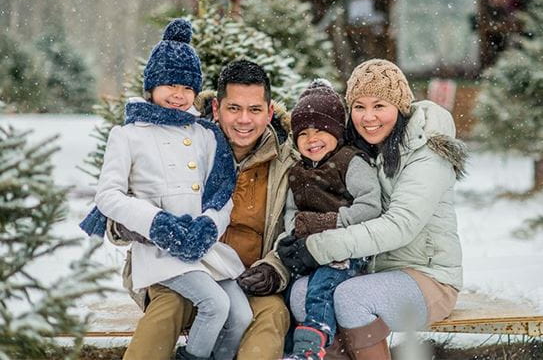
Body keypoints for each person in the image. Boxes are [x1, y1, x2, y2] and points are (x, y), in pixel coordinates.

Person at [81, 19, 253, 360]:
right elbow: (108, 195)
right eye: (171, 85)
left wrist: (209, 225)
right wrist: (157, 223)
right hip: (161, 252)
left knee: (241, 315)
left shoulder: (205, 134)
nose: (179, 95)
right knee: (215, 304)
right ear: (152, 86)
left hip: (204, 248)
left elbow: (221, 193)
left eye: (188, 88)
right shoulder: (128, 135)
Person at [105, 59, 297, 360]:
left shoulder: (288, 163)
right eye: (234, 108)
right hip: (177, 268)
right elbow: (120, 198)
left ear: (269, 112)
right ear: (217, 109)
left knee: (271, 313)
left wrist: (274, 269)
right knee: (169, 307)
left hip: (247, 278)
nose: (244, 120)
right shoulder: (186, 141)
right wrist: (126, 225)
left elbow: (295, 233)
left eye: (255, 110)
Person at [278, 59, 466, 359]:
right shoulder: (360, 151)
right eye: (359, 107)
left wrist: (319, 247)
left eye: (379, 105)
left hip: (429, 277)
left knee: (352, 298)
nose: (368, 117)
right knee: (302, 294)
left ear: (401, 107)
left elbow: (400, 225)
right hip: (370, 270)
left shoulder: (427, 154)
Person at [276, 80, 381, 360]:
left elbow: (371, 206)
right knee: (288, 295)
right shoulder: (297, 171)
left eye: (321, 130)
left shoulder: (350, 162)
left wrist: (329, 222)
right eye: (304, 133)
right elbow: (291, 211)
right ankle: (289, 348)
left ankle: (312, 345)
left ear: (337, 132)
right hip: (310, 250)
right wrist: (293, 231)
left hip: (348, 248)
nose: (312, 139)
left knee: (321, 286)